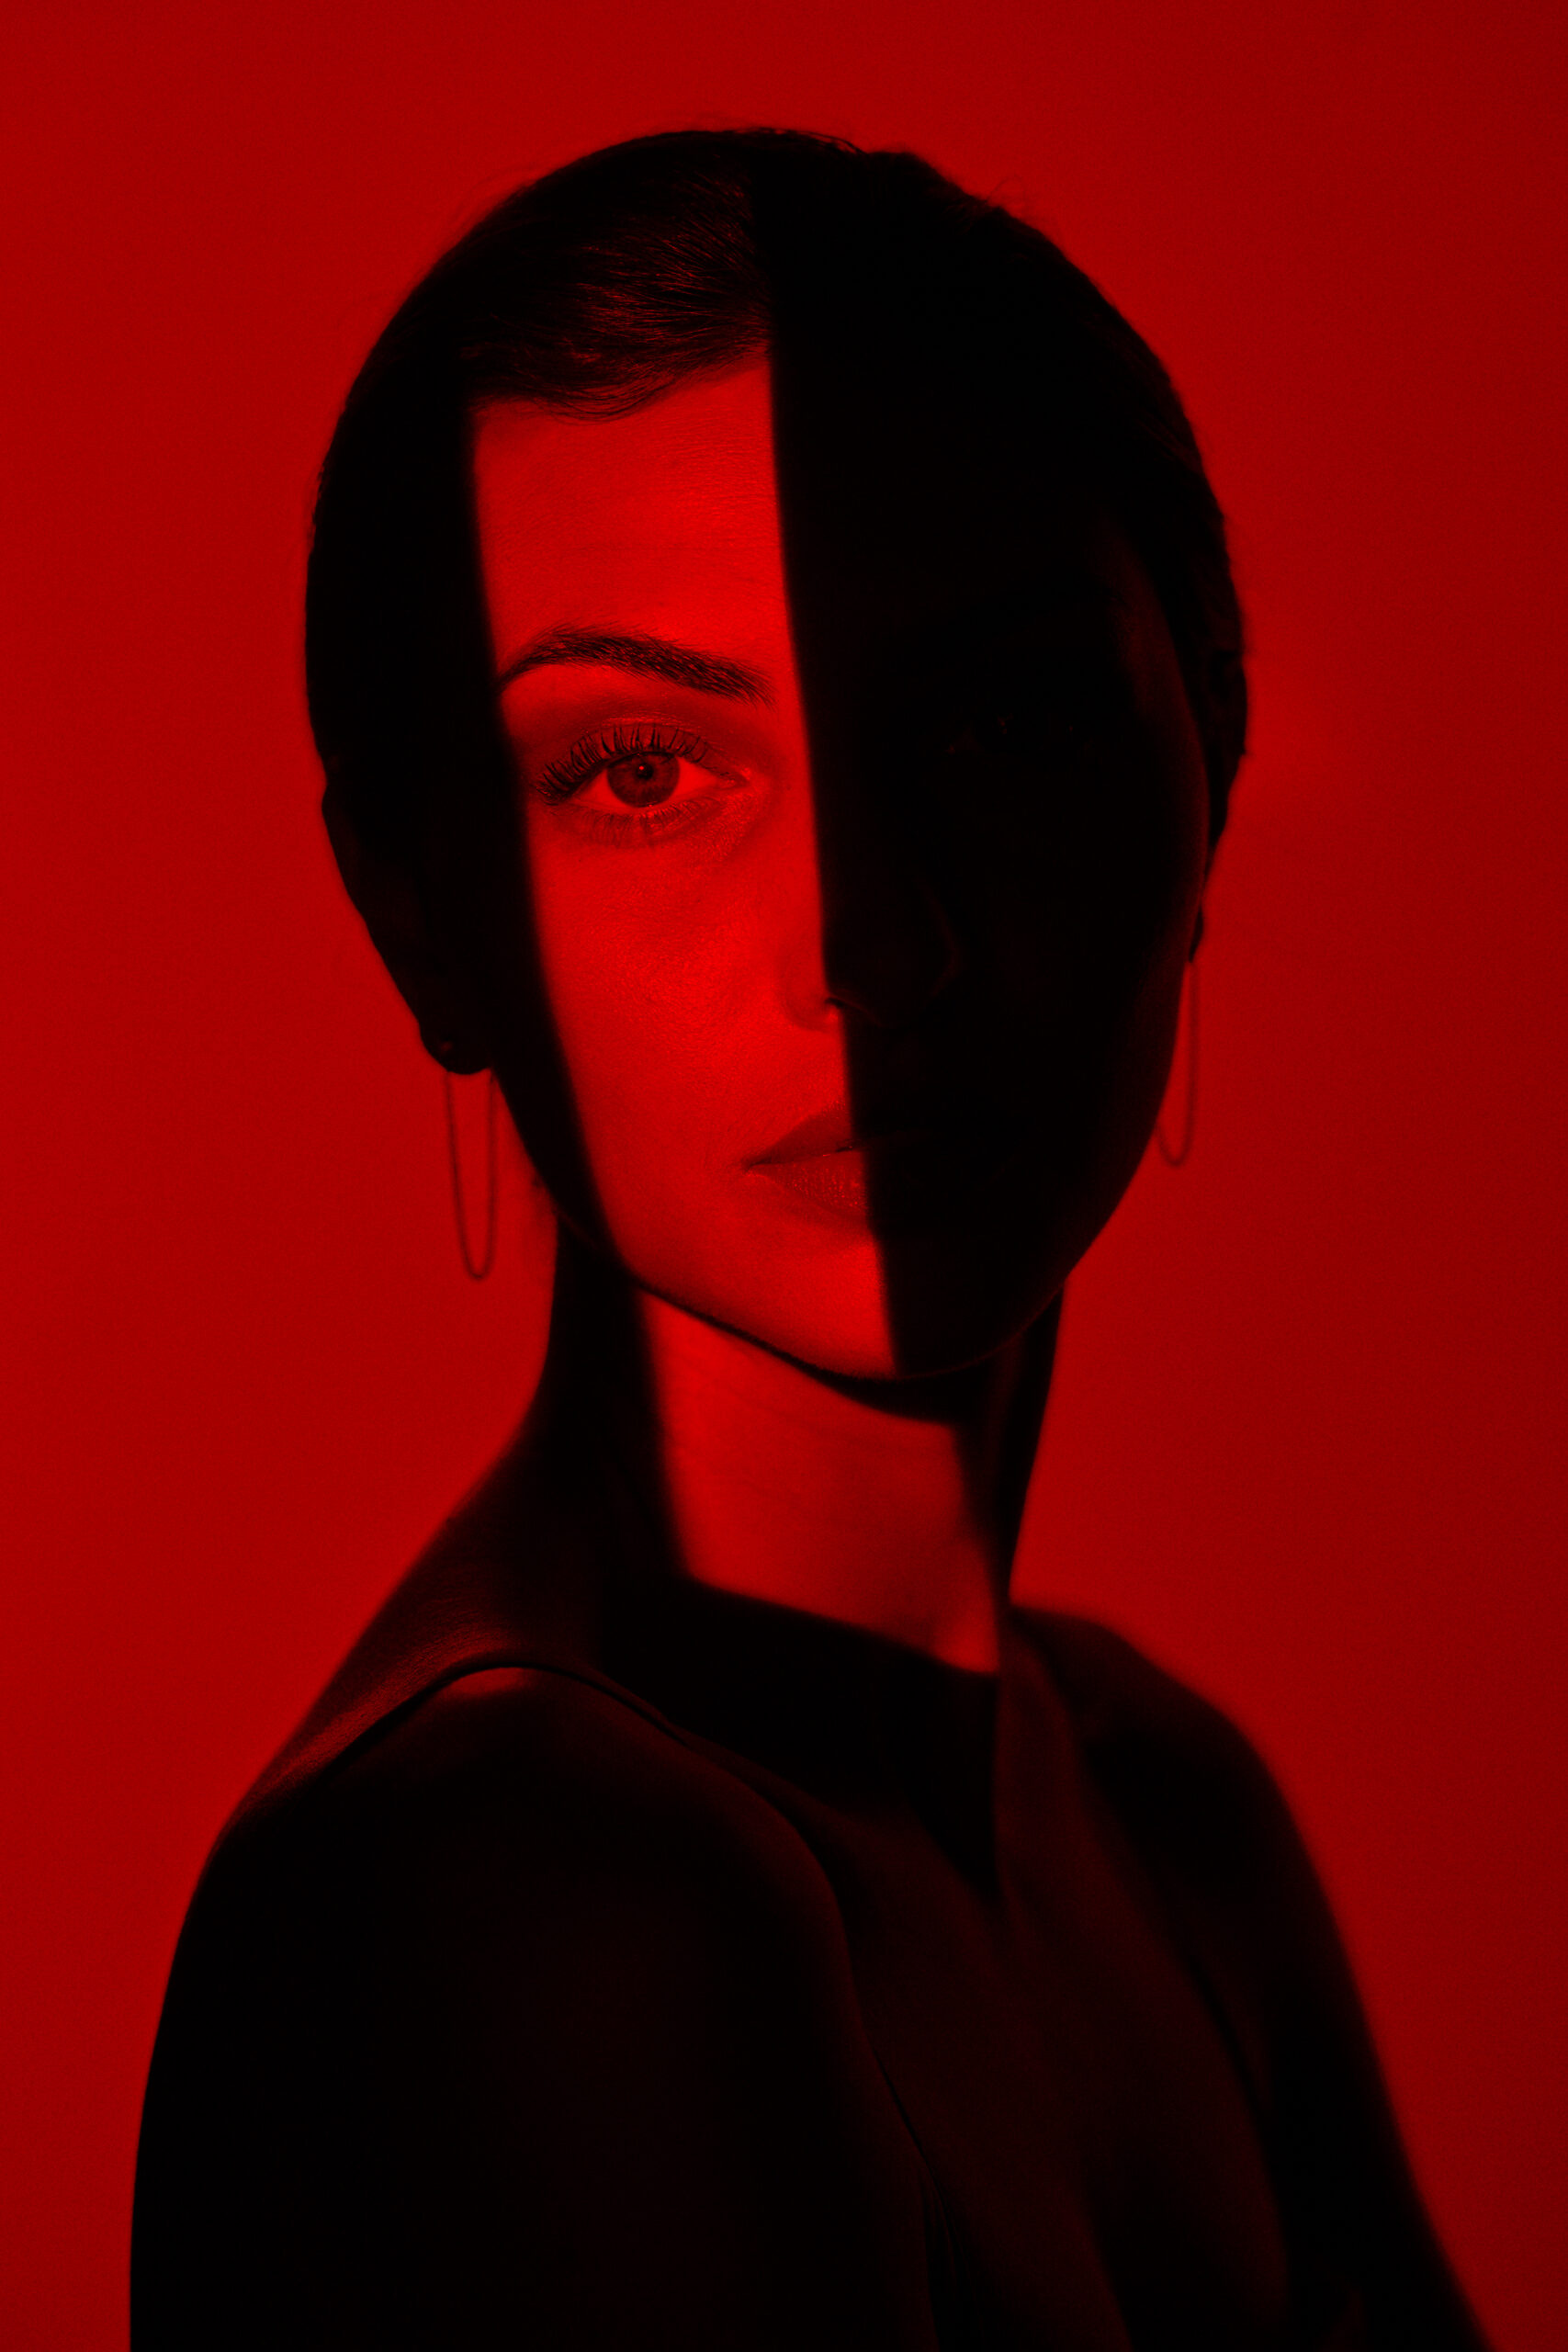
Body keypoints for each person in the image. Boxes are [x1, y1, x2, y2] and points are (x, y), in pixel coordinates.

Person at [131, 129, 1488, 2349]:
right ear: (421, 914)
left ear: (1209, 770)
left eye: (998, 724)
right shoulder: (530, 1891)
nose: (867, 945)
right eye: (641, 769)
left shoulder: (1156, 1804)